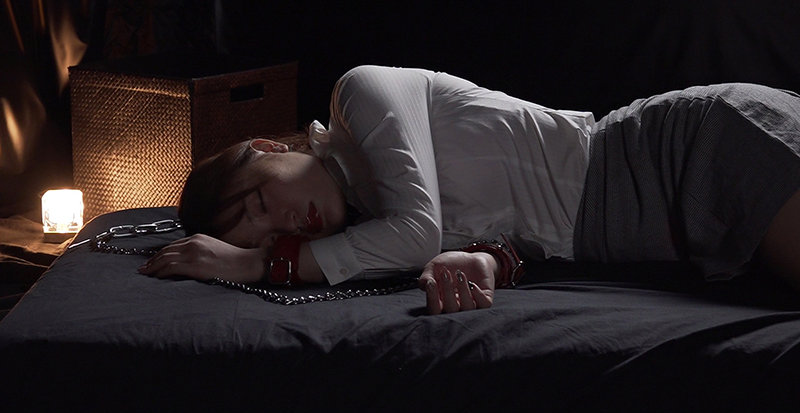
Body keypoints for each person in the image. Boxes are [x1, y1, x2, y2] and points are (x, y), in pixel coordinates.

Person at [138, 65, 800, 314]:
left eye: (260, 201)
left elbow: (418, 231)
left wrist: (259, 263)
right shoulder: (370, 230)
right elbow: (524, 232)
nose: (287, 223)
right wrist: (486, 258)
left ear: (268, 148)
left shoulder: (360, 94)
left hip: (684, 152)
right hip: (676, 228)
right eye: (268, 232)